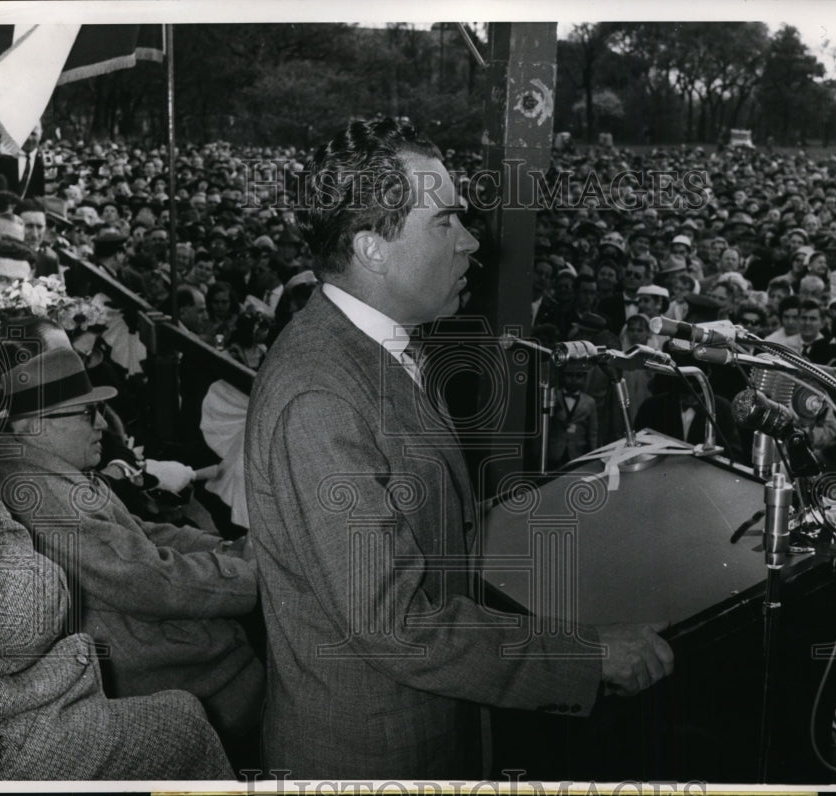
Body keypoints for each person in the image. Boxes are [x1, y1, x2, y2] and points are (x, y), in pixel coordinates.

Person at [245, 118, 673, 779]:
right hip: (373, 756)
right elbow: (396, 624)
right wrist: (586, 657)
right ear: (372, 248)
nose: (471, 241)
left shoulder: (382, 345)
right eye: (445, 222)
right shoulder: (319, 397)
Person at [0, 347, 264, 769]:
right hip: (148, 661)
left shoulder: (42, 470)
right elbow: (150, 582)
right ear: (33, 426)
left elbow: (140, 532)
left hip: (140, 638)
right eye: (88, 413)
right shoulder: (46, 497)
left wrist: (224, 549)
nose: (102, 423)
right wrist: (248, 575)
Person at [0, 492, 234, 781]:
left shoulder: (55, 478)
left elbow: (138, 530)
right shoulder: (44, 489)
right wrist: (240, 570)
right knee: (190, 727)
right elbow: (33, 605)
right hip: (11, 724)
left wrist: (221, 548)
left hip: (26, 694)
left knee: (187, 714)